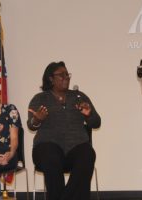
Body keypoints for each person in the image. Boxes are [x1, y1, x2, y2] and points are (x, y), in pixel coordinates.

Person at [27, 61, 101, 200]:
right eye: (61, 75)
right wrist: (37, 119)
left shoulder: (79, 97)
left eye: (67, 74)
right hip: (47, 146)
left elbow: (96, 122)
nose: (66, 77)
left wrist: (89, 114)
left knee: (87, 155)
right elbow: (31, 125)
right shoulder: (40, 98)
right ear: (51, 78)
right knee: (51, 157)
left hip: (76, 146)